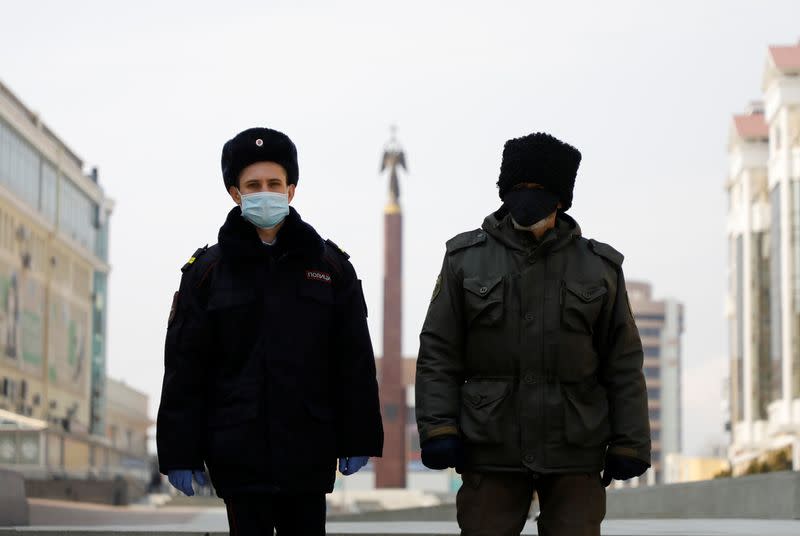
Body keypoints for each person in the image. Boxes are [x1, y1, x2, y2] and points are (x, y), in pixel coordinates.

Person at [415, 132, 650, 536]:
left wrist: (631, 442)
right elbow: (438, 352)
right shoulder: (464, 260)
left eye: (538, 190)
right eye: (518, 189)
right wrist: (439, 428)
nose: (527, 199)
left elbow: (623, 363)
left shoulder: (600, 268)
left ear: (561, 198)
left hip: (575, 449)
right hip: (490, 447)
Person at [156, 127, 383, 535]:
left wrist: (359, 436)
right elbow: (184, 369)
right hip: (236, 451)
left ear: (291, 189)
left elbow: (353, 361)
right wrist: (179, 451)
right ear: (235, 193)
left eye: (274, 183)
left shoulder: (330, 268)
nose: (266, 192)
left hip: (309, 451)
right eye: (253, 185)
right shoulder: (207, 272)